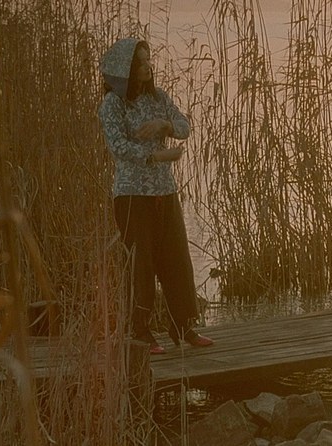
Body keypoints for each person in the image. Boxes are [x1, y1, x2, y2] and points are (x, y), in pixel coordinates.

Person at [98, 38, 213, 354]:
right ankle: (140, 331)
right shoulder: (113, 105)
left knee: (177, 260)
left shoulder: (158, 97)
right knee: (141, 264)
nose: (148, 66)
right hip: (132, 195)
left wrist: (165, 124)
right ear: (125, 69)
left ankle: (184, 326)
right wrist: (155, 157)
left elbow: (184, 127)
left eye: (148, 60)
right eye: (141, 62)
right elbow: (118, 147)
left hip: (165, 191)